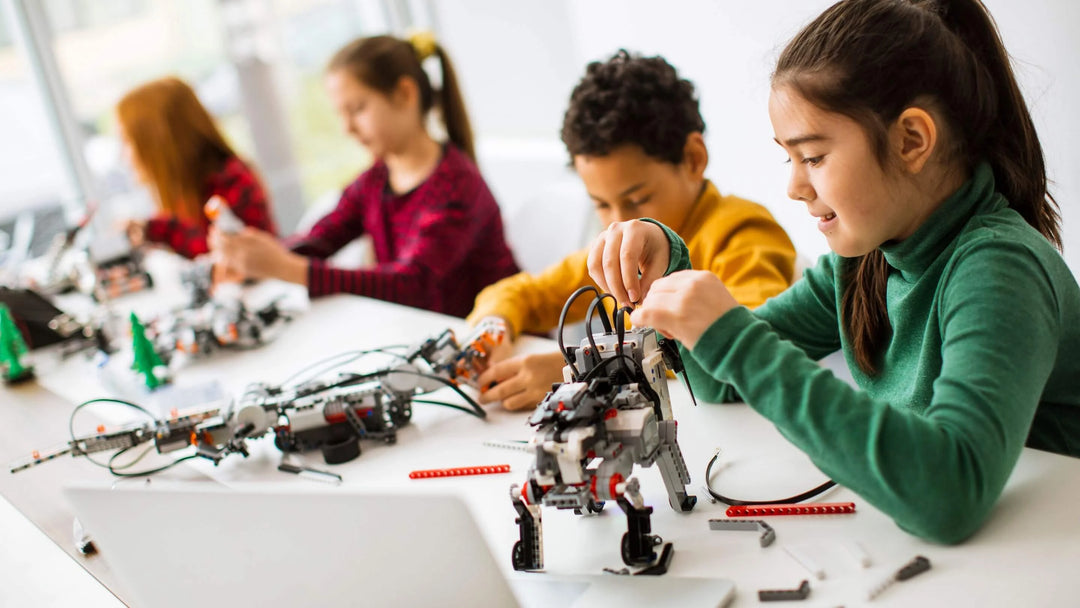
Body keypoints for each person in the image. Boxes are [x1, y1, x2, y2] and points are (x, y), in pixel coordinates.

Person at [588, 0, 1080, 545]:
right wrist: (671, 271)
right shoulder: (863, 263)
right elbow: (723, 379)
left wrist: (734, 338)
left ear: (912, 140)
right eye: (789, 160)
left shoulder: (1001, 270)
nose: (794, 188)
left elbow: (951, 496)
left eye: (814, 157)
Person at [470, 50, 796, 411]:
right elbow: (524, 293)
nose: (617, 221)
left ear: (692, 159)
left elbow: (745, 345)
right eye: (601, 203)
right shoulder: (622, 245)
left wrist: (588, 371)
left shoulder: (742, 232)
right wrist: (493, 328)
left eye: (637, 199)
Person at [212, 33, 519, 317]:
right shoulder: (375, 180)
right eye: (340, 115)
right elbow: (321, 239)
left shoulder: (457, 186)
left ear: (404, 94)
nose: (347, 128)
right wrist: (254, 258)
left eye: (357, 109)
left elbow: (412, 286)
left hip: (501, 347)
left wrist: (286, 267)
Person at [116, 77, 277, 259]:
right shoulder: (184, 191)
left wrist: (156, 230)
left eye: (127, 141)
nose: (124, 155)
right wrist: (148, 229)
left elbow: (231, 256)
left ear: (158, 142)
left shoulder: (232, 181)